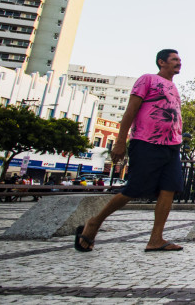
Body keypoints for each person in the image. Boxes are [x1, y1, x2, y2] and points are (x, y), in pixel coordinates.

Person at [76, 49, 185, 253]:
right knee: (134, 189)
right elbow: (131, 110)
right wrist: (120, 141)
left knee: (169, 188)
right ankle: (94, 222)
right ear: (162, 62)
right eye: (174, 60)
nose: (179, 63)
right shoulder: (148, 79)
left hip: (171, 145)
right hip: (146, 142)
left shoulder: (173, 87)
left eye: (180, 60)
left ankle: (156, 239)